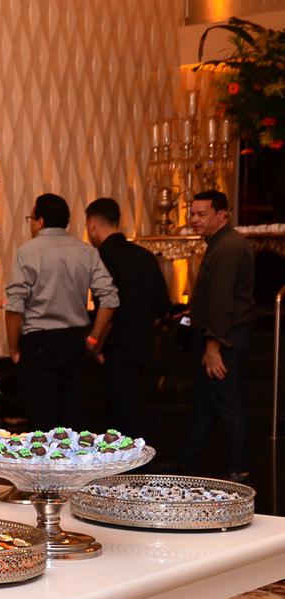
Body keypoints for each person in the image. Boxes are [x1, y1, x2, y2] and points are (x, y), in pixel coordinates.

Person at [4, 193, 118, 431]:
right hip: (74, 342)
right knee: (71, 421)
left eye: (31, 219)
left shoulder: (27, 251)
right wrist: (93, 338)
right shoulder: (85, 251)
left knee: (41, 421)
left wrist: (13, 348)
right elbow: (110, 298)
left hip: (38, 342)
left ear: (40, 221)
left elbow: (15, 306)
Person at [178, 190, 254, 482]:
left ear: (222, 215)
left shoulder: (228, 248)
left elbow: (223, 302)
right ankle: (189, 462)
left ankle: (240, 468)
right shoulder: (219, 243)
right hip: (219, 335)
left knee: (227, 401)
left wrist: (213, 347)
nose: (194, 220)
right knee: (207, 402)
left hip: (225, 339)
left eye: (202, 214)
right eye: (192, 214)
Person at [84, 197, 170, 441]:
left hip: (115, 349)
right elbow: (162, 305)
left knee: (120, 417)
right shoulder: (145, 256)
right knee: (137, 412)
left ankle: (126, 462)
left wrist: (95, 343)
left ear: (92, 225)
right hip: (144, 345)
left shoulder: (101, 258)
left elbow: (108, 307)